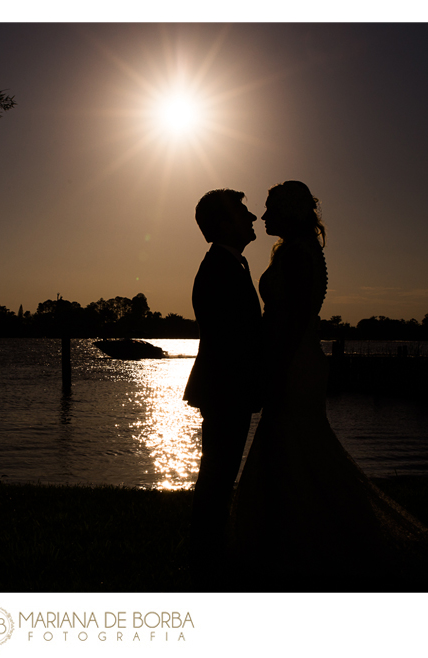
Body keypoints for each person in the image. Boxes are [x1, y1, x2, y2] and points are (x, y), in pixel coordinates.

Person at [227, 180, 428, 592]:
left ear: (291, 211)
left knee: (291, 444)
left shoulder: (298, 255)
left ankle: (299, 541)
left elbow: (293, 322)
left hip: (294, 363)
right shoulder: (300, 251)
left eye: (271, 208)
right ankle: (291, 535)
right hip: (297, 361)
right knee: (295, 449)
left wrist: (273, 370)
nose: (264, 216)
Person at [182, 188, 263, 589]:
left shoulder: (234, 264)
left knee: (220, 470)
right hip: (225, 387)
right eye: (242, 213)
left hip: (227, 386)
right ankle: (206, 557)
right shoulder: (218, 268)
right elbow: (232, 337)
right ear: (222, 223)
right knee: (217, 471)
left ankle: (209, 549)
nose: (251, 218)